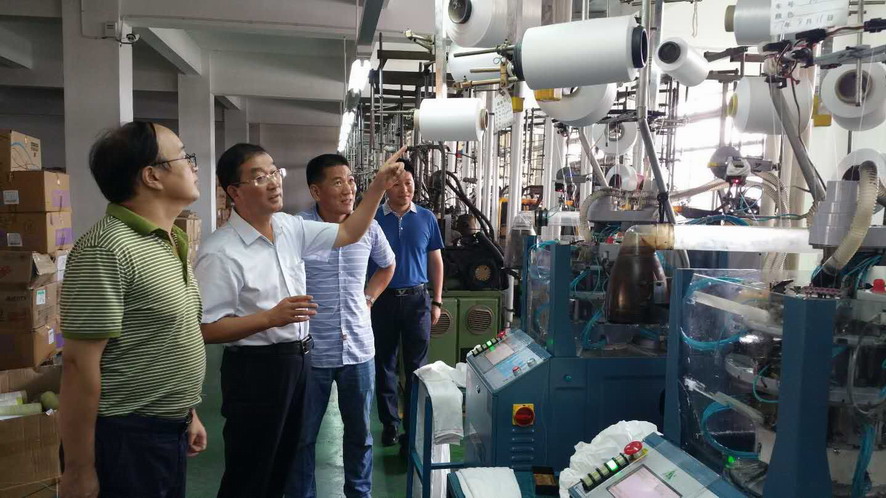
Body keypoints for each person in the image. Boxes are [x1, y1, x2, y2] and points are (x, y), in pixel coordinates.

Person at [195, 144, 405, 498]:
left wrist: (377, 188)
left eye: (274, 172)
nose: (273, 182)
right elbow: (205, 328)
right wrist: (269, 318)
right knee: (252, 468)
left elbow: (349, 233)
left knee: (288, 455)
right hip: (255, 369)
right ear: (234, 192)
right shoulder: (221, 251)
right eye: (259, 177)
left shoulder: (289, 227)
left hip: (300, 358)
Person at [59, 122, 207, 498]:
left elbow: (164, 339)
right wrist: (79, 469)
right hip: (125, 439)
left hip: (166, 432)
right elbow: (77, 365)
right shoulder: (106, 249)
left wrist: (187, 412)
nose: (194, 166)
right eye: (184, 157)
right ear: (152, 176)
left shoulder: (169, 240)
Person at [287, 154, 396, 498]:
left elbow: (387, 265)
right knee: (302, 437)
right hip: (311, 351)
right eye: (338, 182)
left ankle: (359, 494)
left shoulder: (369, 227)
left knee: (360, 435)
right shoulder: (298, 229)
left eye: (350, 180)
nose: (349, 189)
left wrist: (369, 297)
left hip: (358, 349)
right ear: (316, 191)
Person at [369, 158, 445, 454]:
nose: (404, 189)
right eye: (398, 184)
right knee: (384, 364)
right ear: (386, 186)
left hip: (417, 301)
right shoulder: (373, 218)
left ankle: (412, 429)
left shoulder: (426, 218)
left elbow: (435, 261)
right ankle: (390, 424)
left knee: (416, 368)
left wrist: (436, 300)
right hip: (382, 301)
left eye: (409, 183)